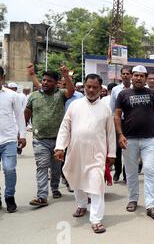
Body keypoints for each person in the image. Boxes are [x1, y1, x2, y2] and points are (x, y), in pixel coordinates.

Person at [54, 74, 116, 234]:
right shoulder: (74, 105)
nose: (91, 89)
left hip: (97, 154)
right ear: (84, 86)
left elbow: (111, 133)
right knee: (77, 179)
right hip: (76, 152)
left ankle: (96, 219)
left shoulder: (105, 109)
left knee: (96, 185)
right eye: (88, 86)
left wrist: (112, 154)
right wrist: (60, 147)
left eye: (95, 87)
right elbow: (65, 127)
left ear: (100, 89)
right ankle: (82, 205)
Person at [114, 65, 154, 220]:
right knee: (131, 171)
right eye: (136, 75)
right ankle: (133, 199)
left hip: (149, 139)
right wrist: (120, 134)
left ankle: (151, 205)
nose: (138, 78)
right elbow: (116, 116)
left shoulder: (152, 94)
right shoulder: (123, 94)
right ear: (131, 76)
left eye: (142, 76)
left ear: (146, 78)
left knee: (149, 170)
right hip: (129, 139)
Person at [25, 66, 75, 207]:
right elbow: (27, 112)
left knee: (55, 168)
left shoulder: (60, 94)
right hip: (40, 140)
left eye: (49, 81)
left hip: (58, 141)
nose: (45, 83)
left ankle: (55, 188)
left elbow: (71, 92)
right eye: (44, 80)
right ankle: (42, 196)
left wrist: (66, 75)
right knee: (42, 166)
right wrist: (21, 130)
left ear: (56, 83)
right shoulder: (34, 96)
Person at [0, 67, 27, 213]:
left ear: (2, 78)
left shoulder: (12, 95)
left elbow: (19, 116)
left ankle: (9, 197)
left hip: (8, 139)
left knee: (9, 169)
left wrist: (22, 135)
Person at [110, 66, 133, 183]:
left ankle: (126, 173)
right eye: (123, 73)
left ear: (131, 75)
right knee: (118, 149)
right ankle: (117, 172)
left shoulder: (136, 89)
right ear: (121, 75)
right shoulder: (115, 90)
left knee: (129, 148)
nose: (125, 75)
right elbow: (113, 109)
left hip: (131, 122)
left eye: (128, 73)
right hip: (119, 121)